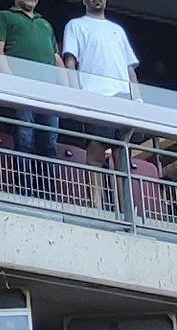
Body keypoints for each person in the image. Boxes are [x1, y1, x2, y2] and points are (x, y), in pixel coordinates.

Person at [60, 0, 140, 209]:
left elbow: (130, 68)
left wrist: (137, 98)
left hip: (122, 96)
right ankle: (97, 206)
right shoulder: (75, 25)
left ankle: (126, 208)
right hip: (94, 95)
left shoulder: (117, 30)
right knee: (95, 152)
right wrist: (74, 93)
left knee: (122, 154)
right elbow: (70, 61)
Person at [0, 0, 62, 180]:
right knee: (24, 138)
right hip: (23, 90)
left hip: (49, 93)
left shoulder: (45, 24)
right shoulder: (3, 16)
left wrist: (66, 90)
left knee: (50, 142)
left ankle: (49, 192)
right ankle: (25, 188)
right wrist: (11, 82)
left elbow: (57, 58)